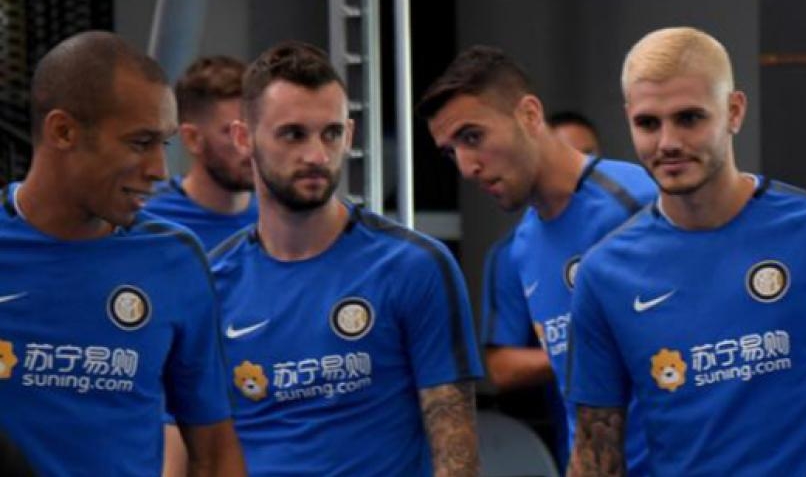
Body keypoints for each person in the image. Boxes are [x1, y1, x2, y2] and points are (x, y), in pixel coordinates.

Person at [566, 27, 806, 475]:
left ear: (734, 111)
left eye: (689, 118)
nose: (668, 142)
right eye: (648, 123)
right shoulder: (604, 273)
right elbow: (595, 451)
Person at [213, 41, 482, 476]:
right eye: (293, 134)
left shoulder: (413, 267)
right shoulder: (211, 282)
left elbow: (457, 457)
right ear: (245, 138)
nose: (317, 155)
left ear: (350, 135)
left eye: (331, 133)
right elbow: (186, 448)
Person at [0, 31, 245, 475]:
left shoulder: (174, 259)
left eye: (163, 144)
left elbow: (214, 452)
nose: (159, 170)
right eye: (139, 142)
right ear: (63, 131)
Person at [419, 46, 655, 475]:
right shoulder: (523, 247)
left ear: (529, 114)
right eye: (451, 152)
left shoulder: (638, 203)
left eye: (472, 137)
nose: (467, 167)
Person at [480, 109, 601, 467]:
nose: (577, 166)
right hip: (578, 444)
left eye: (588, 155)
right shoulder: (514, 252)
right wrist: (587, 347)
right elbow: (502, 368)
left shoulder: (633, 221)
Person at [146, 55, 257, 250]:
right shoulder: (147, 221)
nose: (250, 145)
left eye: (254, 128)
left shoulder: (280, 218)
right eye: (232, 132)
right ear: (192, 138)